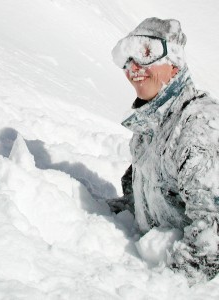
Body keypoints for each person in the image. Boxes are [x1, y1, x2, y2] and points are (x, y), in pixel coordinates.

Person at [109, 17, 219, 284]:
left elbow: (212, 239)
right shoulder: (149, 131)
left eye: (147, 53)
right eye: (125, 57)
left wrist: (161, 288)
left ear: (174, 63)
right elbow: (147, 199)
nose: (133, 67)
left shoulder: (198, 125)